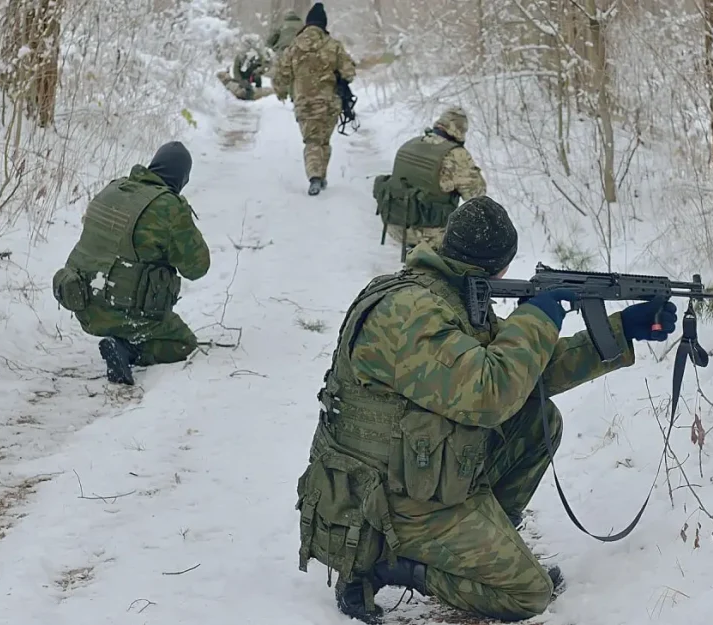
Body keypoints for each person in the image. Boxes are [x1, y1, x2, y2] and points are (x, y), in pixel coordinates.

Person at [294, 196, 678, 623]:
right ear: (500, 267)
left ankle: (485, 545)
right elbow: (489, 393)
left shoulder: (447, 296)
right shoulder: (409, 313)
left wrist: (622, 330)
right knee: (528, 594)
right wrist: (537, 318)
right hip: (383, 502)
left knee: (537, 420)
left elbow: (528, 375)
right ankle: (389, 564)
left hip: (419, 476)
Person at [51, 142, 210, 386]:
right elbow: (197, 268)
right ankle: (128, 349)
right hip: (126, 313)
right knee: (183, 343)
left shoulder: (113, 188)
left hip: (84, 305)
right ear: (182, 178)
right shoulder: (169, 207)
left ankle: (121, 335)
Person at [373, 106, 487, 260]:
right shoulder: (455, 155)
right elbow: (476, 195)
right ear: (460, 130)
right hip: (429, 235)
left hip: (396, 226)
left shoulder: (411, 143)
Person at [272, 2, 356, 196]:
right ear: (323, 24)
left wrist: (282, 92)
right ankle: (320, 177)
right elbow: (349, 72)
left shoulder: (294, 46)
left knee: (312, 141)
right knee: (323, 141)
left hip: (305, 103)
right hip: (329, 103)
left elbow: (281, 75)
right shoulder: (333, 45)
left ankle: (315, 178)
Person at [219, 33, 270, 100]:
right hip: (241, 79)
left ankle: (255, 93)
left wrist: (258, 71)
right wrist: (242, 81)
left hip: (252, 77)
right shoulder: (240, 56)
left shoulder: (258, 55)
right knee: (241, 90)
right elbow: (236, 71)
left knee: (256, 81)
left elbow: (264, 66)